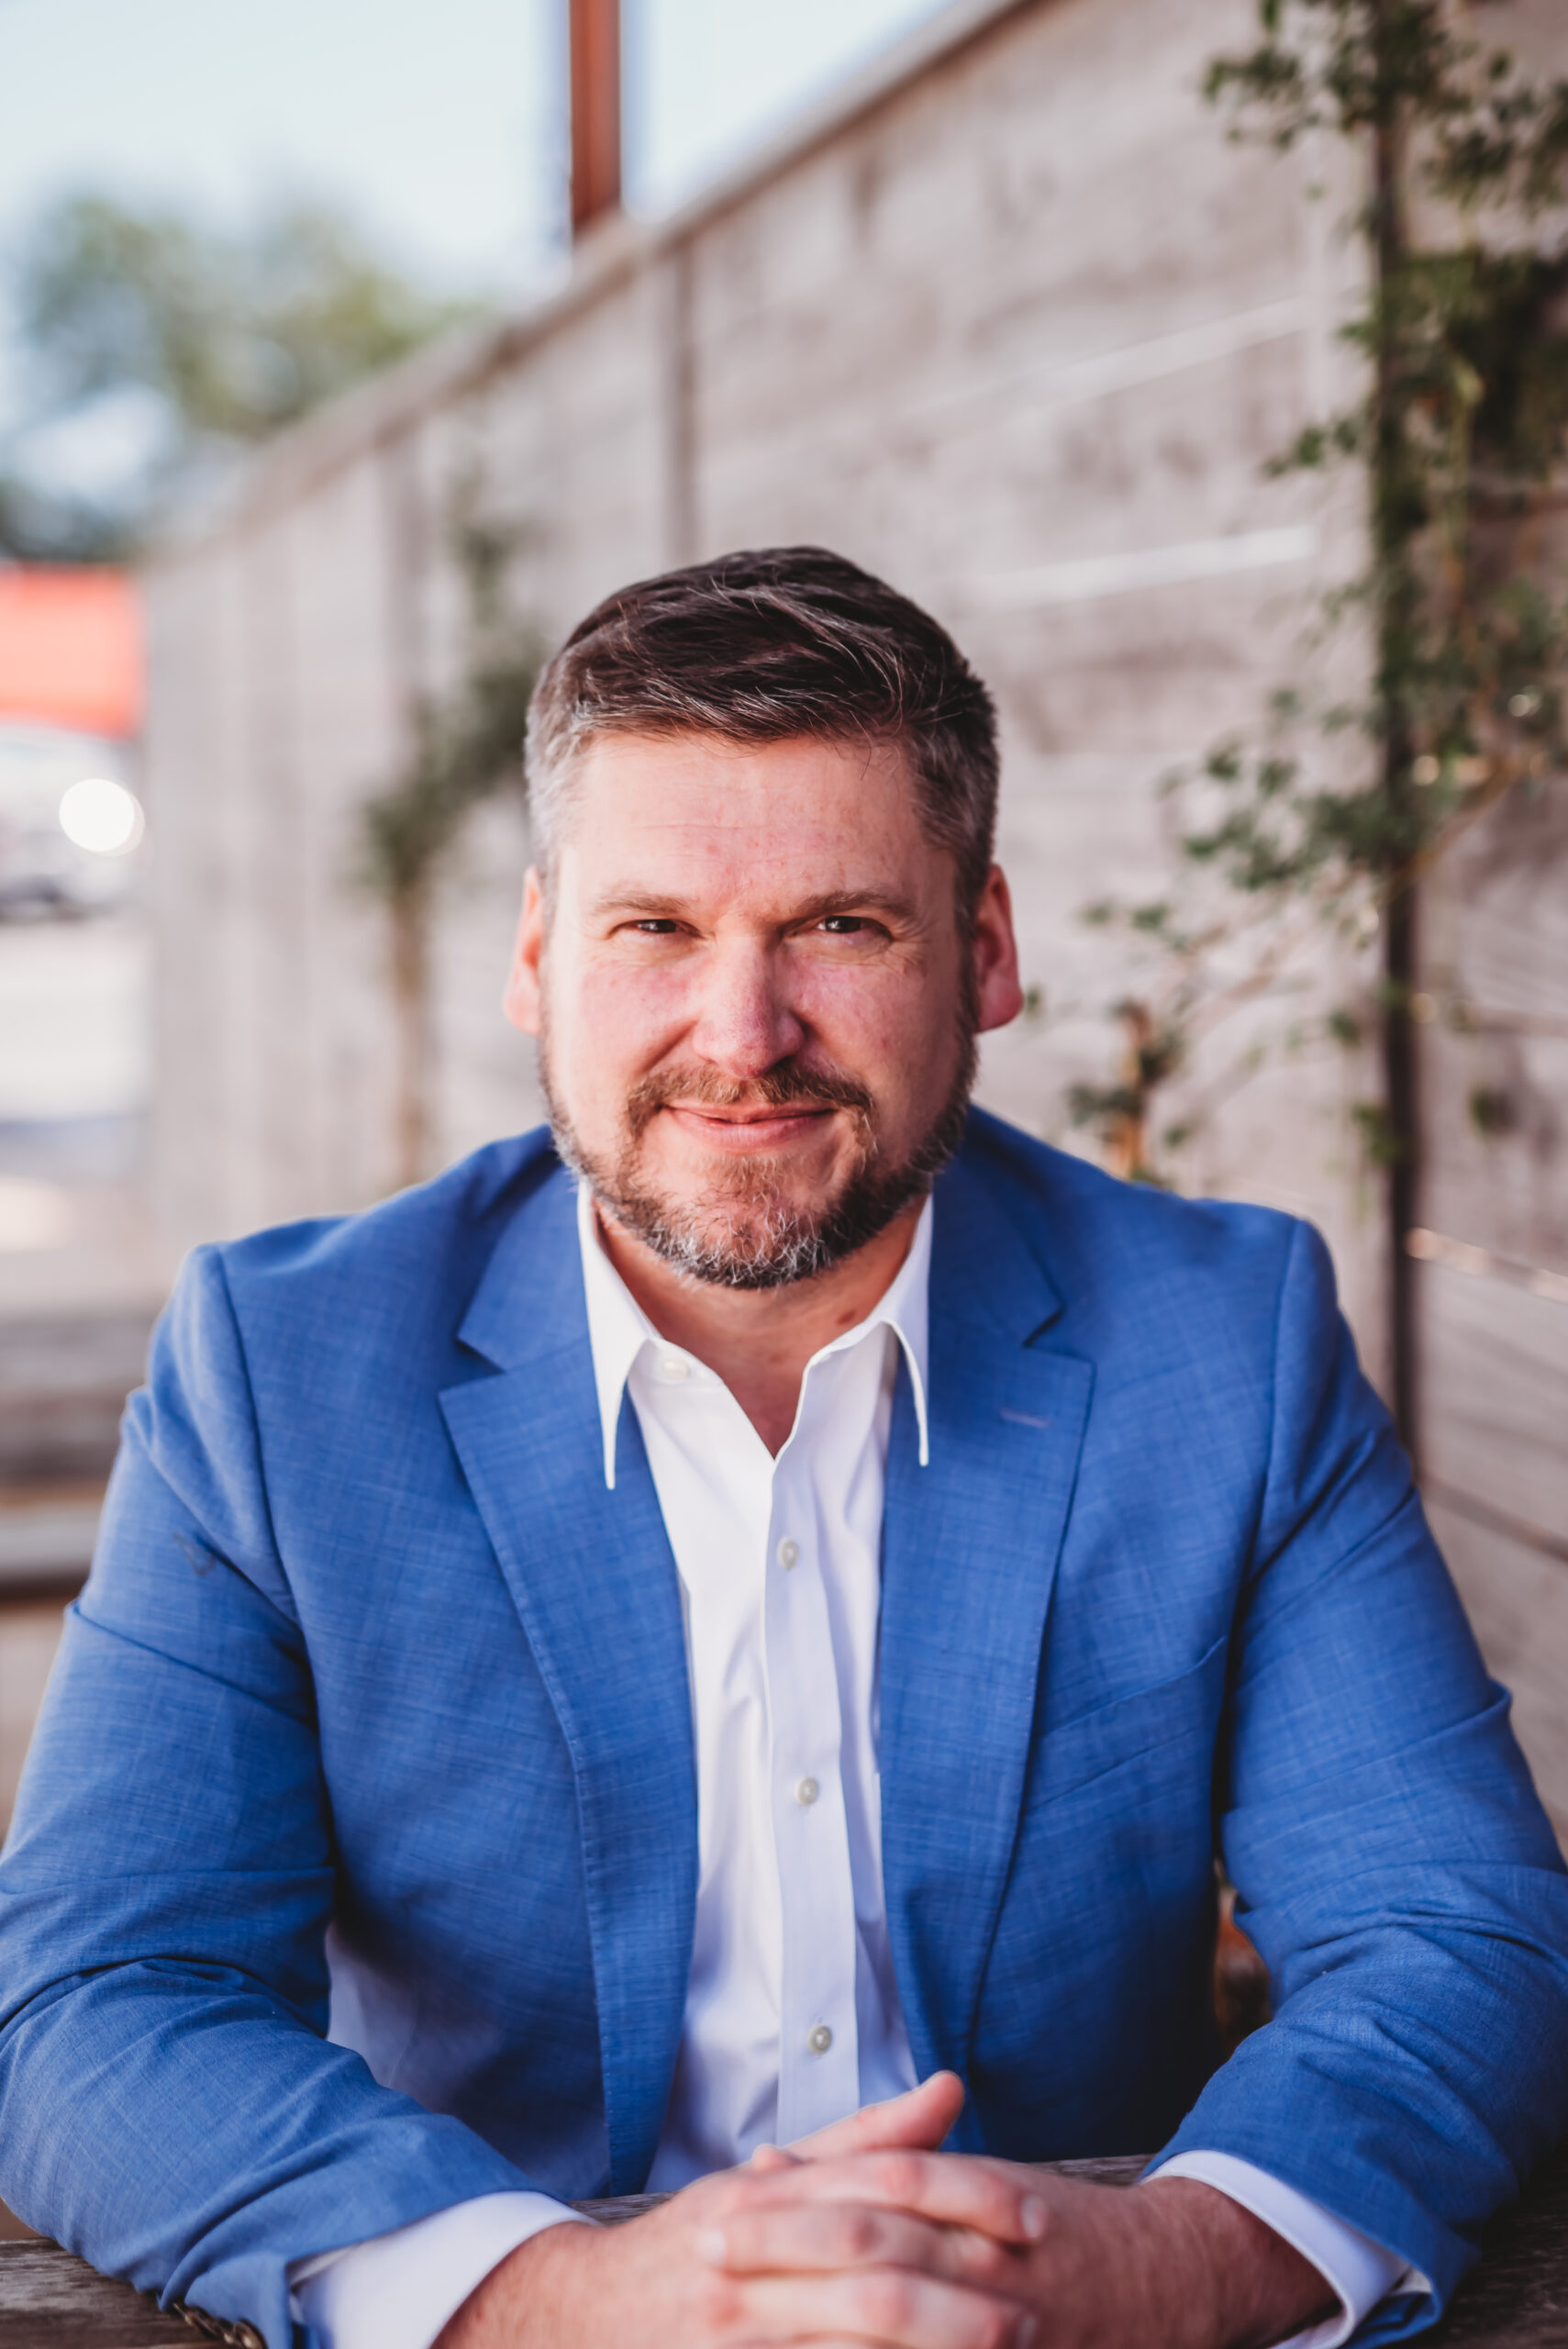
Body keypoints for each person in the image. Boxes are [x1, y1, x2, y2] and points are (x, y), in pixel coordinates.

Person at [1, 549, 1564, 2349]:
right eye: (654, 926)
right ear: (537, 955)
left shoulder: (1222, 1340)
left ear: (983, 948)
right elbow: (101, 1996)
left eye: (840, 924)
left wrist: (1146, 2267)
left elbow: (1461, 1933)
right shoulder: (282, 1374)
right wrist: (569, 2290)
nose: (739, 1038)